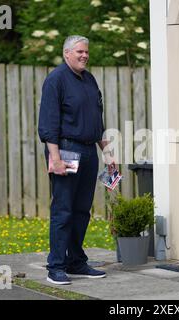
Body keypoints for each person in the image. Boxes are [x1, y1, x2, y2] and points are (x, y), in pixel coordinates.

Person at [38, 35, 116, 285]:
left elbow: (97, 122)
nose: (84, 56)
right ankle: (56, 266)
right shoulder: (56, 80)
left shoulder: (90, 80)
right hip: (66, 150)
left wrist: (108, 153)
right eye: (80, 52)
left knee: (82, 210)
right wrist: (56, 157)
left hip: (89, 151)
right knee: (63, 210)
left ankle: (76, 261)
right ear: (67, 53)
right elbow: (48, 123)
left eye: (87, 52)